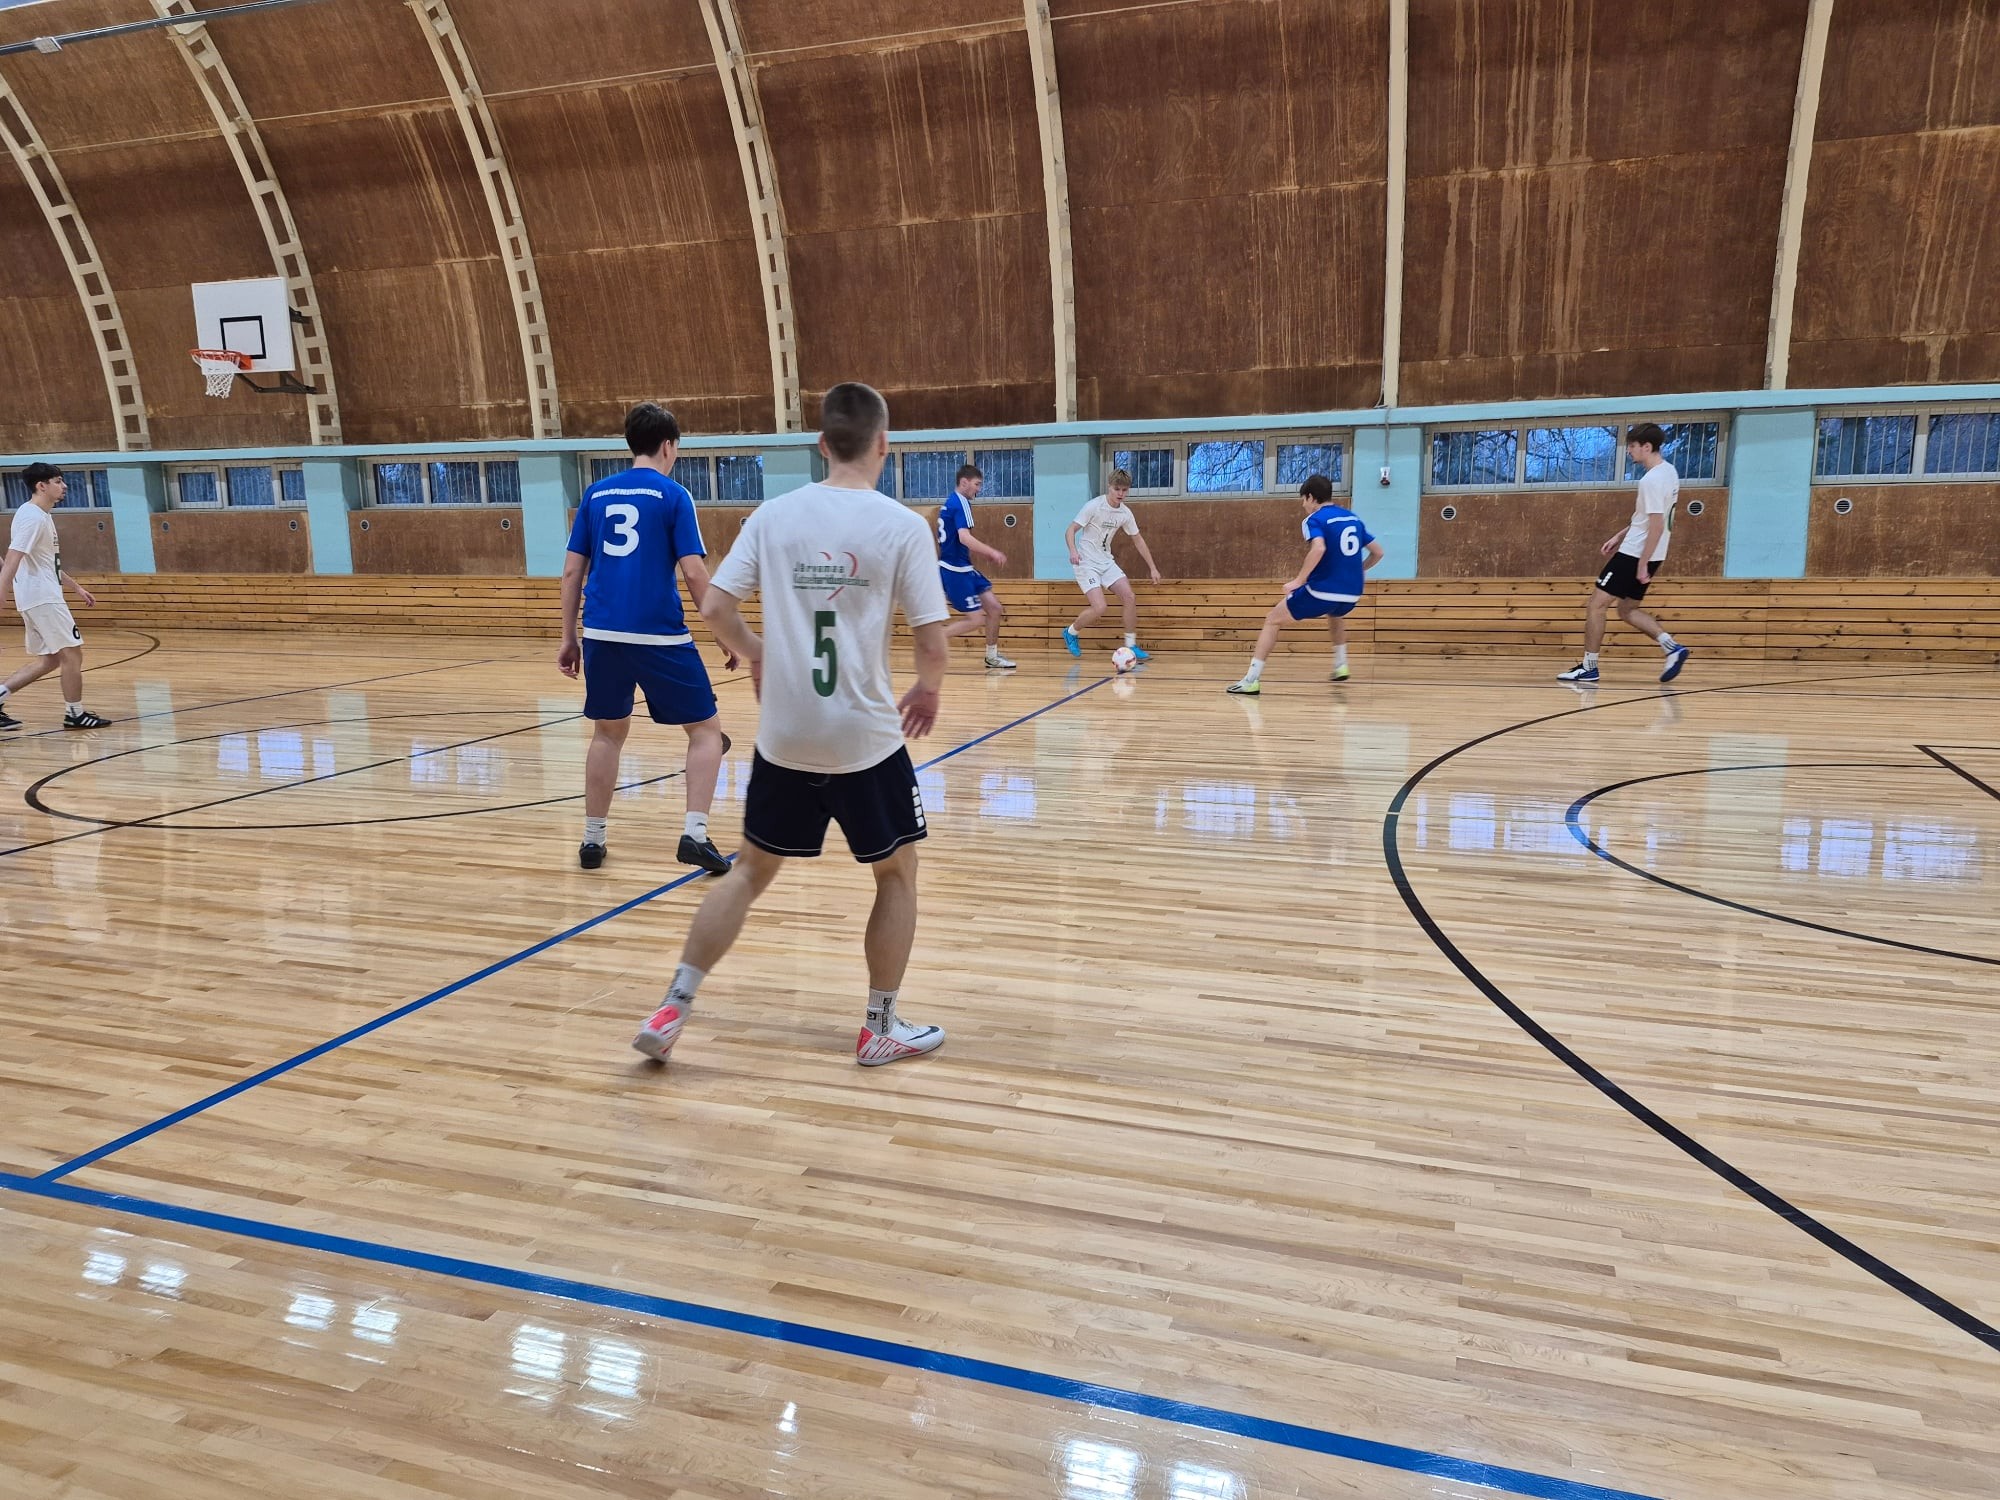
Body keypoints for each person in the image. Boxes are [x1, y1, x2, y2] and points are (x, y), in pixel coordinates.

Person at [631, 381, 952, 1069]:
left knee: (748, 871)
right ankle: (880, 1027)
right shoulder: (902, 526)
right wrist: (927, 690)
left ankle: (673, 1005)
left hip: (785, 736)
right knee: (897, 873)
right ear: (883, 443)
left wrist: (756, 653)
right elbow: (932, 642)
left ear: (822, 443)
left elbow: (715, 607)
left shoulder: (773, 517)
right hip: (865, 739)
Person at [559, 402, 732, 875]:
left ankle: (592, 839)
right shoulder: (674, 495)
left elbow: (572, 571)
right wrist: (724, 634)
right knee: (706, 732)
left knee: (607, 733)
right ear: (668, 446)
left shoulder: (595, 494)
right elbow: (694, 574)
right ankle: (695, 834)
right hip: (658, 636)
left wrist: (568, 636)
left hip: (601, 633)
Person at [1557, 422, 1690, 684]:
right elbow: (1647, 518)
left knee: (1596, 605)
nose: (1629, 451)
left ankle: (1589, 667)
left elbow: (1656, 524)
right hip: (1653, 553)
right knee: (1627, 610)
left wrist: (1641, 563)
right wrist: (1619, 536)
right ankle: (1672, 648)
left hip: (1636, 554)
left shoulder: (1651, 480)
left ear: (1646, 447)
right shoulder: (1669, 472)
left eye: (1632, 446)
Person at [1226, 475, 1383, 694]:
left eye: (1303, 499)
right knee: (1335, 614)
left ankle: (1251, 680)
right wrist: (1360, 570)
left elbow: (1318, 548)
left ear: (1310, 497)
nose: (1303, 505)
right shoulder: (1353, 518)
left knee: (1272, 620)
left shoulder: (1314, 519)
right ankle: (1341, 665)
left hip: (1322, 591)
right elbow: (1378, 552)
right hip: (1351, 594)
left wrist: (1298, 581)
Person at [0, 463, 107, 732]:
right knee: (72, 654)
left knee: (50, 659)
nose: (64, 486)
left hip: (36, 597)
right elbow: (13, 557)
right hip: (43, 598)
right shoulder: (33, 517)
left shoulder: (39, 515)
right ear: (41, 486)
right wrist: (2, 588)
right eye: (58, 481)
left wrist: (76, 587)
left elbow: (47, 563)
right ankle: (75, 714)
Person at [1062, 469, 1161, 661]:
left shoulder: (1125, 513)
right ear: (1109, 487)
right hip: (1086, 562)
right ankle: (1071, 632)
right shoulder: (1094, 506)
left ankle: (1131, 645)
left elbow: (1138, 540)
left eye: (1124, 490)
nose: (1120, 493)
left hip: (1106, 561)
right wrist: (1073, 551)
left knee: (1129, 597)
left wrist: (1153, 567)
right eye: (1117, 489)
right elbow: (1070, 530)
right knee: (1100, 607)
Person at [936, 463, 1016, 669]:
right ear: (964, 482)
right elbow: (964, 537)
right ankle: (933, 639)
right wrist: (991, 552)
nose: (979, 489)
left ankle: (992, 656)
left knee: (995, 608)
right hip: (955, 570)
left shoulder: (952, 502)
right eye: (977, 484)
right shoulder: (960, 502)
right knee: (975, 620)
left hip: (964, 568)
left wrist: (983, 553)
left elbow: (959, 540)